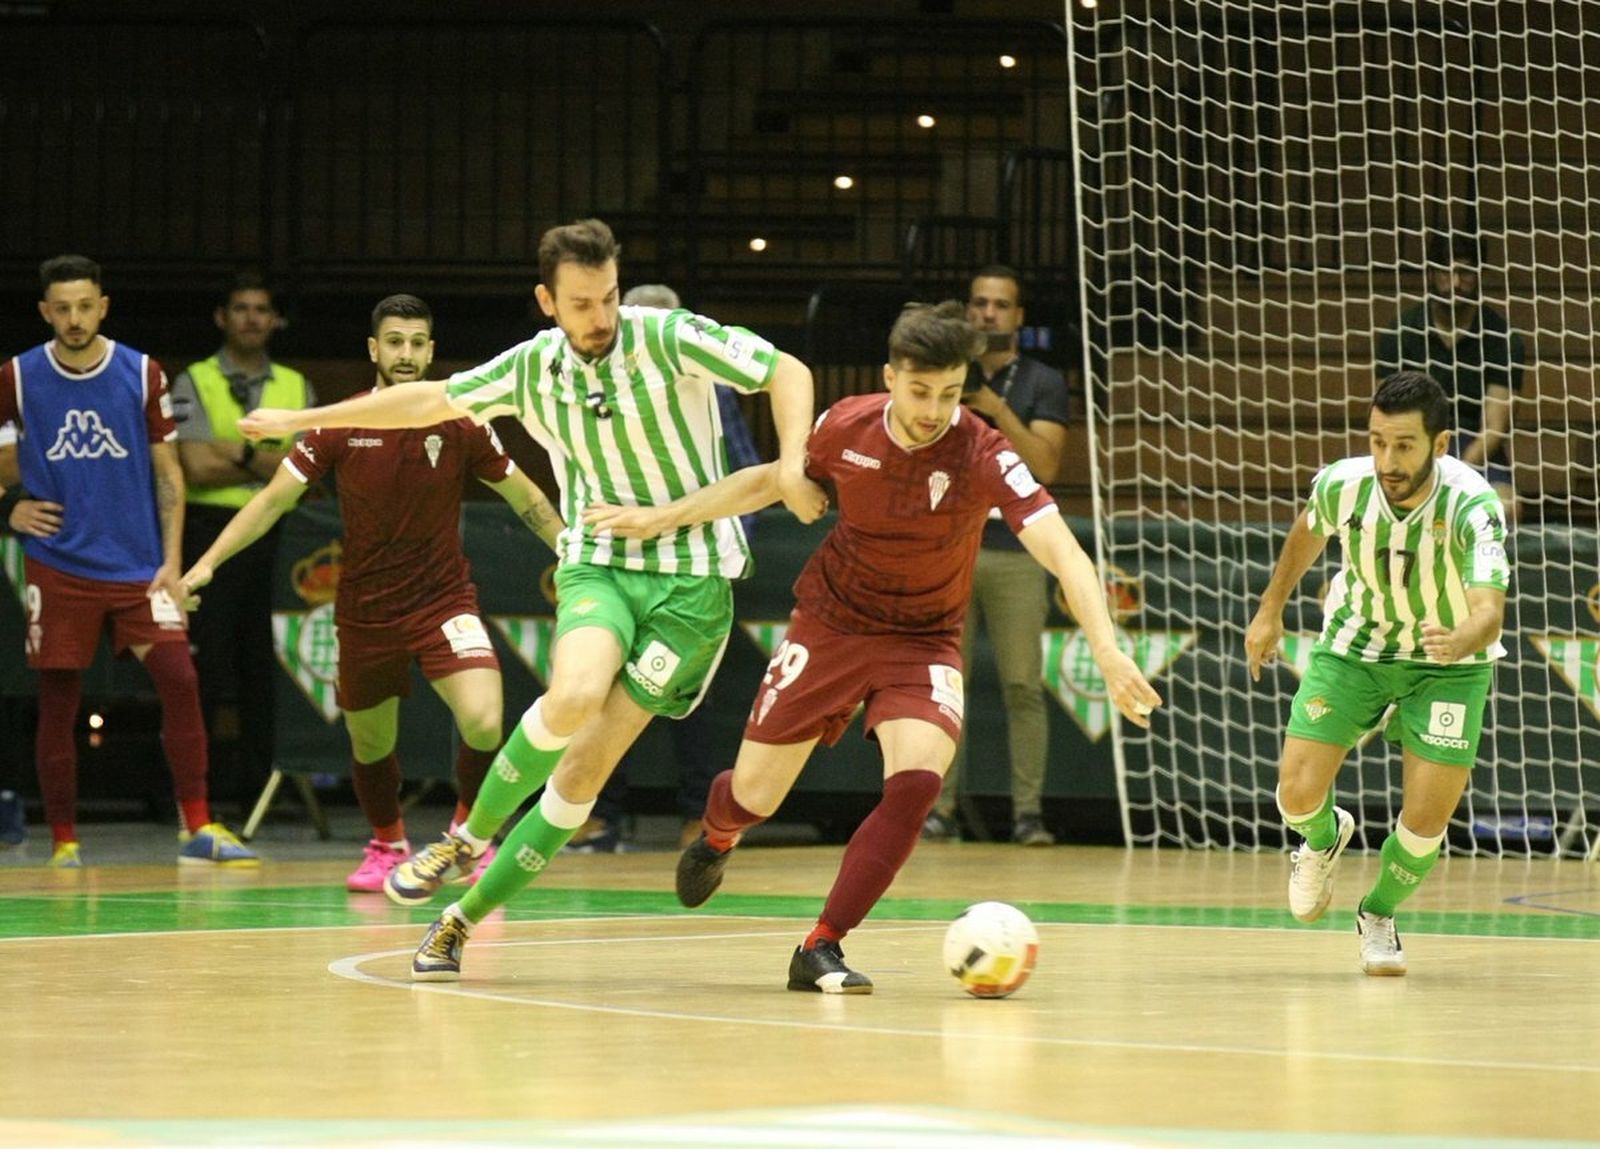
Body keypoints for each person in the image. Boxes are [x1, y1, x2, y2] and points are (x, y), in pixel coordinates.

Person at [237, 218, 823, 977]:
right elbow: (423, 402)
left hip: (695, 583)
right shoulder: (529, 368)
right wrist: (304, 420)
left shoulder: (670, 335)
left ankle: (458, 918)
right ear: (547, 300)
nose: (602, 318)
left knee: (582, 770)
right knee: (573, 690)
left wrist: (790, 463)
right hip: (601, 559)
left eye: (609, 297)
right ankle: (465, 838)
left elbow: (788, 372)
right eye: (582, 303)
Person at [595, 301, 1161, 993]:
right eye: (920, 391)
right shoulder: (845, 426)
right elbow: (771, 479)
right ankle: (719, 832)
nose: (934, 409)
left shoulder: (983, 450)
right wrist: (663, 517)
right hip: (832, 623)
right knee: (754, 794)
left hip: (923, 638)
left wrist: (1105, 647)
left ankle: (821, 944)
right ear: (891, 377)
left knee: (918, 779)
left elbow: (1063, 551)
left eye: (950, 394)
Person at [182, 294, 564, 890]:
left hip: (444, 603)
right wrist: (205, 564)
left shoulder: (462, 419)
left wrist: (570, 550)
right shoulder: (339, 421)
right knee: (371, 741)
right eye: (394, 342)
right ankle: (387, 843)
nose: (406, 354)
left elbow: (527, 498)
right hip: (366, 610)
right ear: (373, 349)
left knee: (486, 721)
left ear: (431, 351)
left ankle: (466, 841)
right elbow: (271, 501)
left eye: (417, 343)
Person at [1244, 370, 1509, 977]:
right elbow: (1307, 534)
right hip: (1355, 646)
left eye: (1404, 446)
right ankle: (1320, 837)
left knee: (1423, 827)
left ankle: (1378, 914)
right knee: (1296, 793)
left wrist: (1461, 637)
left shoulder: (1472, 502)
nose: (1387, 459)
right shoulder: (1344, 484)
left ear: (1439, 446)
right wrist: (1270, 609)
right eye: (1377, 442)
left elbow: (1489, 613)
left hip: (1449, 663)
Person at [0, 254, 256, 867]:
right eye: (61, 308)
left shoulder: (141, 373)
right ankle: (64, 840)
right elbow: (5, 464)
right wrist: (10, 508)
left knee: (181, 680)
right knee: (59, 697)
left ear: (103, 306)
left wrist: (170, 564)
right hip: (58, 563)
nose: (74, 318)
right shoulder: (16, 376)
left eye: (85, 306)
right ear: (45, 312)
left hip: (140, 565)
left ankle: (195, 825)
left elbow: (171, 474)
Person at [567, 281, 766, 854]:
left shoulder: (709, 390)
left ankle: (694, 814)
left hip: (691, 568)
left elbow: (749, 473)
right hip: (618, 563)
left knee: (685, 701)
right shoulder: (589, 383)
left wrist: (722, 550)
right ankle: (598, 815)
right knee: (597, 691)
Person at [924, 265, 1071, 846]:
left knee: (1021, 685)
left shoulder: (1041, 381)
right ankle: (937, 809)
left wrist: (994, 408)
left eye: (1001, 305)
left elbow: (1048, 465)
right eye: (979, 302)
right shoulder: (943, 377)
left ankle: (1028, 813)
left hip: (1016, 550)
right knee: (941, 683)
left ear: (1018, 317)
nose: (988, 313)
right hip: (949, 549)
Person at [171, 273, 315, 809]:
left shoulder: (298, 387)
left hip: (280, 538)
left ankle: (260, 791)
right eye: (241, 308)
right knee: (208, 663)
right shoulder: (193, 379)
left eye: (262, 308)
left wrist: (231, 451)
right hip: (211, 537)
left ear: (274, 319)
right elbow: (196, 466)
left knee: (265, 662)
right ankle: (198, 790)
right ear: (222, 317)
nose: (252, 317)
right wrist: (263, 461)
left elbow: (307, 469)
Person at [1374, 234, 1525, 523]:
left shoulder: (1502, 339)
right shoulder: (1402, 330)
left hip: (1475, 451)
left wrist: (1455, 475)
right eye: (1445, 272)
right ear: (1431, 274)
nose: (1455, 283)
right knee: (1376, 507)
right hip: (1413, 443)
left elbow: (1495, 427)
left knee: (1505, 509)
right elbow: (1383, 414)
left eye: (1465, 272)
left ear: (1479, 275)